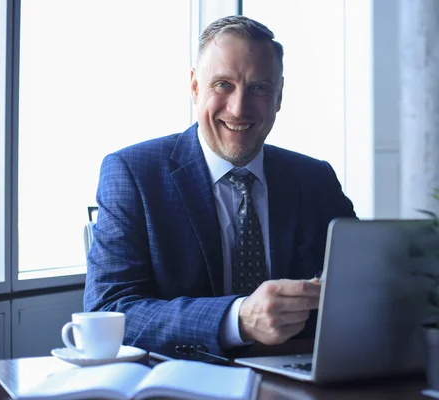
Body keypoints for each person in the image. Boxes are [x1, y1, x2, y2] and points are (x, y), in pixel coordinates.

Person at [83, 15, 356, 359]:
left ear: (280, 96)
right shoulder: (133, 174)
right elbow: (110, 311)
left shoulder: (315, 178)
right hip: (179, 381)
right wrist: (236, 319)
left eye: (259, 87)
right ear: (195, 87)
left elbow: (362, 287)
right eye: (223, 85)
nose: (239, 108)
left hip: (300, 378)